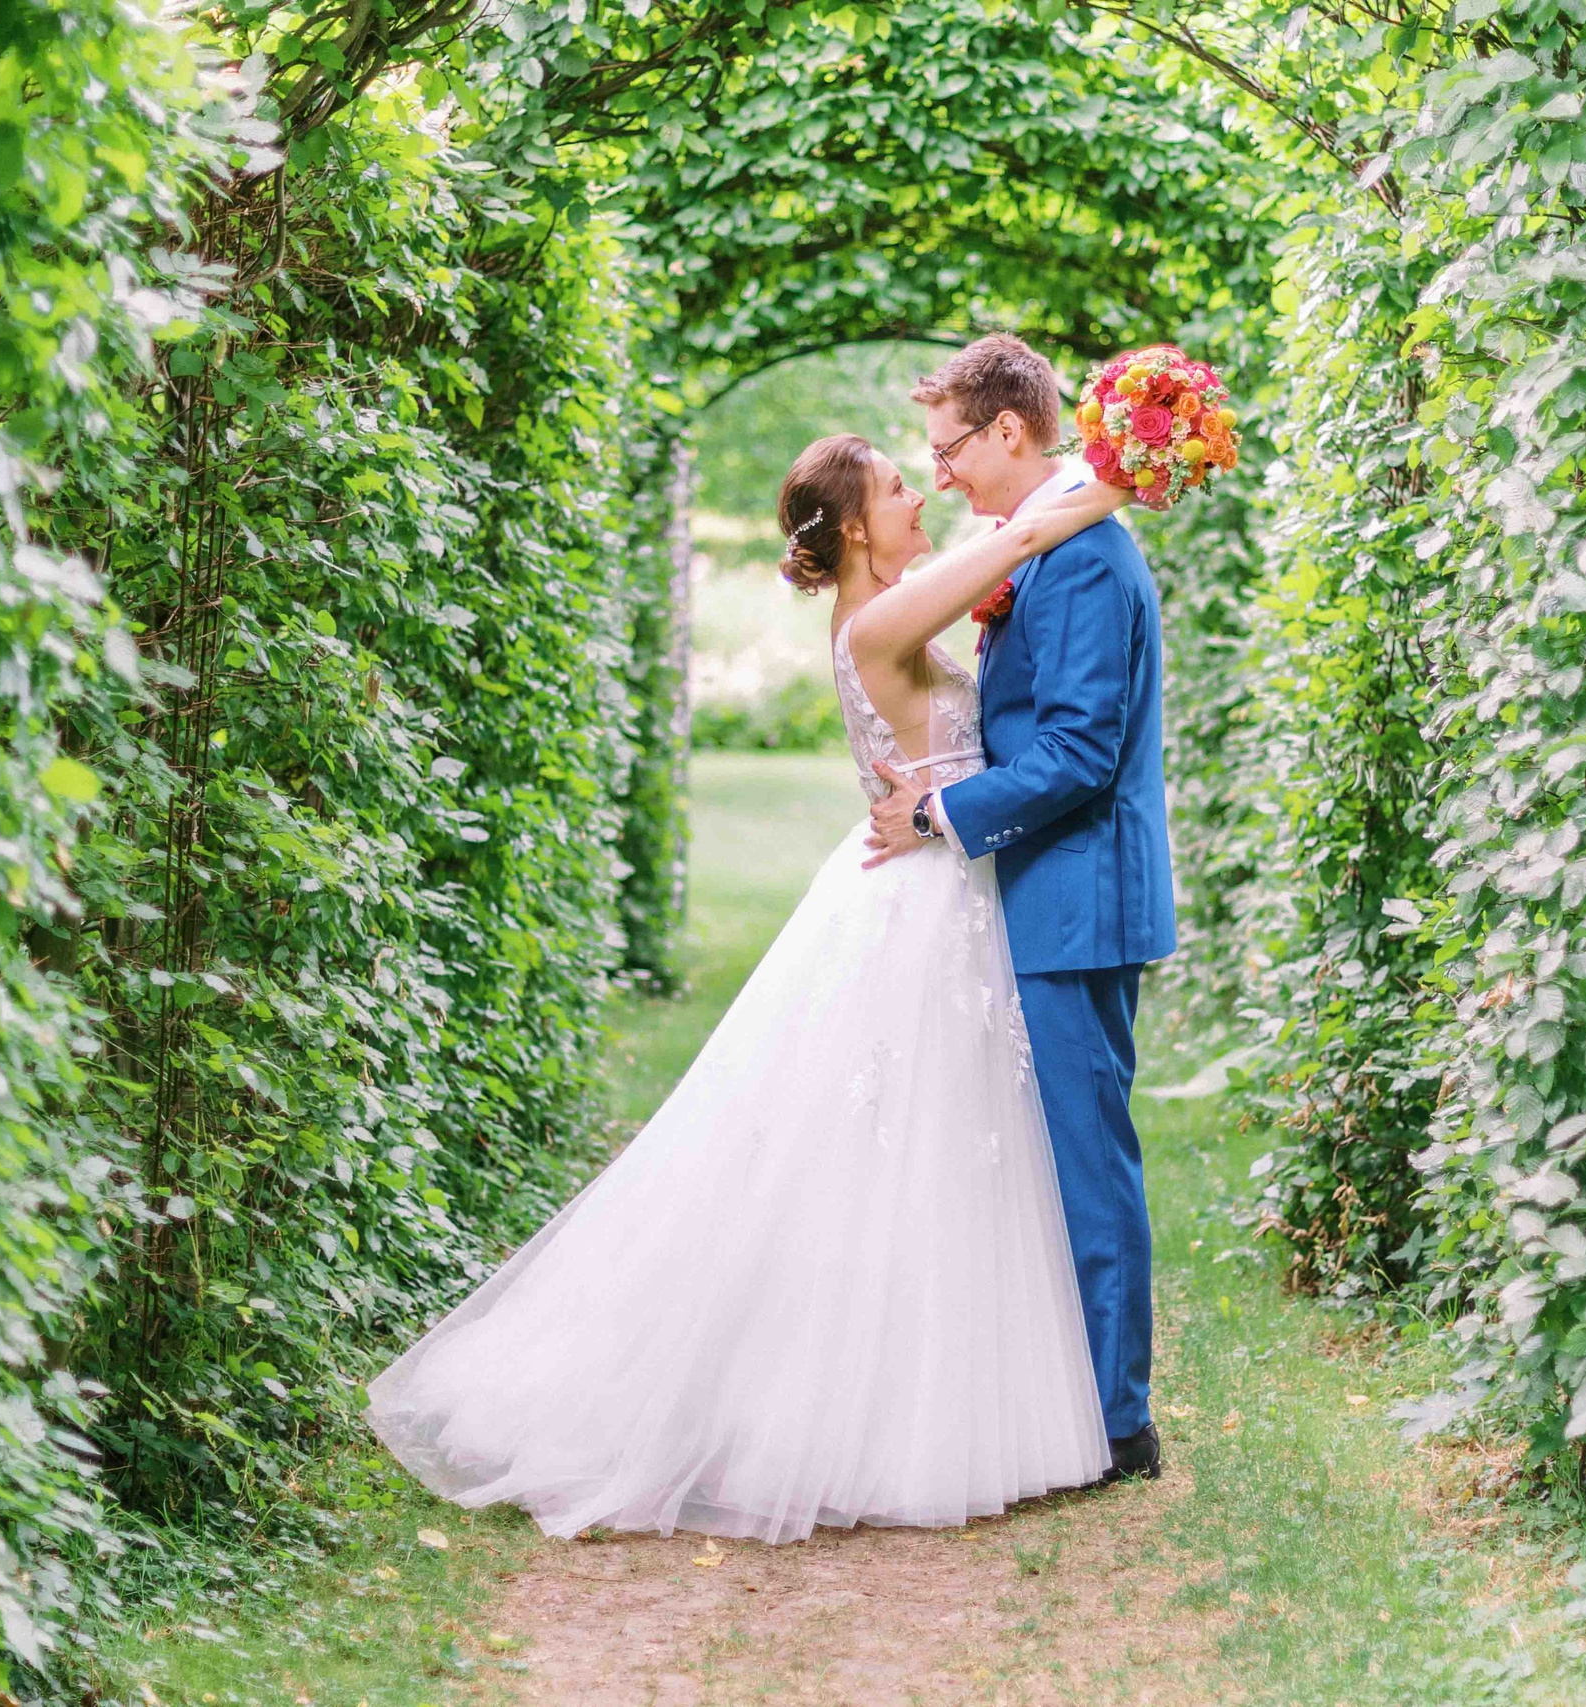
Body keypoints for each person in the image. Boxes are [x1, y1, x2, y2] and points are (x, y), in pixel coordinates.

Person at [364, 427, 1132, 1543]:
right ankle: (860, 1414)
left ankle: (927, 1398)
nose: (922, 498)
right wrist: (1135, 460)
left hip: (941, 884)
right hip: (920, 897)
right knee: (898, 1144)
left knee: (937, 1149)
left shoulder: (884, 611)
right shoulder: (878, 620)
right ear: (858, 529)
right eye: (897, 489)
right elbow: (1022, 535)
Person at [863, 333, 1178, 1484]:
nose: (938, 473)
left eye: (949, 448)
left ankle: (1116, 1422)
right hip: (1048, 886)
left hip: (1081, 892)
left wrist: (943, 818)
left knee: (1088, 1158)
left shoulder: (1085, 554)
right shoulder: (1037, 546)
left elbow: (1083, 749)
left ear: (1008, 431)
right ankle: (1076, 1401)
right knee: (1054, 1158)